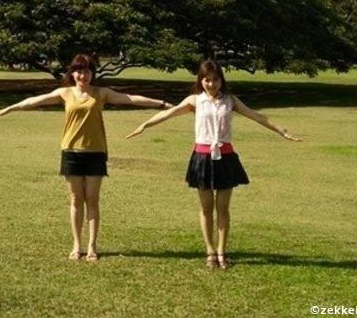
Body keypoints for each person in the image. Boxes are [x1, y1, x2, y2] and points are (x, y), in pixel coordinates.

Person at [0, 54, 172, 262]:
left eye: (86, 70)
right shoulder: (65, 93)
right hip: (71, 153)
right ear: (72, 73)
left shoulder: (101, 93)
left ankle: (92, 246)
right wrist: (9, 108)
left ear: (92, 73)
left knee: (92, 200)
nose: (82, 75)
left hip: (95, 153)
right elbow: (34, 101)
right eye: (78, 70)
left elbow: (130, 98)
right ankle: (77, 245)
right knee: (76, 200)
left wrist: (162, 104)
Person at [125, 59, 301, 269]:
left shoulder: (230, 100)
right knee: (206, 208)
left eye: (215, 79)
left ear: (221, 80)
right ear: (201, 80)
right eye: (207, 80)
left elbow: (256, 116)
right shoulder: (195, 101)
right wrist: (144, 125)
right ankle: (209, 251)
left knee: (223, 208)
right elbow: (168, 113)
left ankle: (221, 252)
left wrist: (282, 130)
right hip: (202, 157)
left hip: (226, 158)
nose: (212, 84)